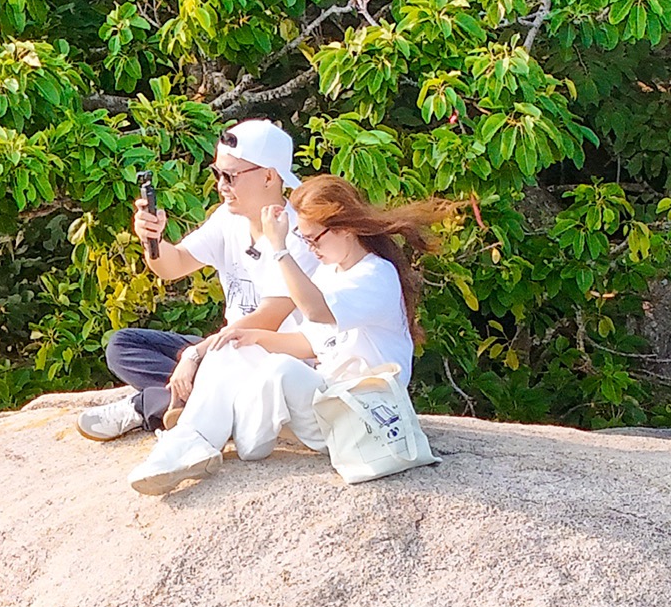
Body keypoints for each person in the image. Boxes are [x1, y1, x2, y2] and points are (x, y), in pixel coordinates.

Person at [128, 175, 453, 495]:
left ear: (345, 228)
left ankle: (204, 431)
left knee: (278, 373)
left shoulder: (375, 275)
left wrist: (280, 248)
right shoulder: (331, 270)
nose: (310, 249)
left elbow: (315, 311)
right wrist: (249, 339)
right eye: (304, 240)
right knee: (230, 349)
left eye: (314, 240)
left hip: (363, 414)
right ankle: (187, 446)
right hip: (329, 404)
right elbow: (307, 342)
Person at [77, 120, 315, 441]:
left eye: (230, 176)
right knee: (122, 345)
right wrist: (153, 239)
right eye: (217, 173)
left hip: (275, 360)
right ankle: (195, 399)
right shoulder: (227, 219)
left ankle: (146, 404)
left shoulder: (300, 236)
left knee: (212, 366)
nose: (221, 185)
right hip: (227, 349)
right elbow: (172, 266)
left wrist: (194, 356)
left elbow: (267, 321)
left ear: (269, 176)